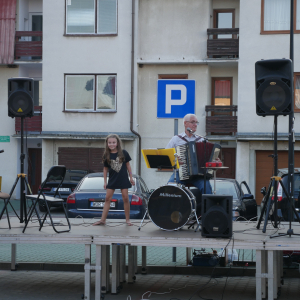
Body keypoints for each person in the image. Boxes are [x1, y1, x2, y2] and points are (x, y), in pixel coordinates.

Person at [93, 134, 135, 226]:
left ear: (117, 143)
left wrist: (131, 177)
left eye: (113, 142)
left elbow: (128, 165)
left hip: (123, 179)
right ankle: (102, 220)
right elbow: (105, 169)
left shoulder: (124, 153)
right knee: (107, 199)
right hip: (112, 180)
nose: (111, 144)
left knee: (125, 198)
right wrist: (105, 182)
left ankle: (128, 220)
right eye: (110, 143)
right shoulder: (106, 155)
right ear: (107, 143)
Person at [166, 113, 212, 194]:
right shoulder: (176, 139)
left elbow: (209, 158)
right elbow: (166, 156)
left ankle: (207, 206)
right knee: (170, 187)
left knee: (207, 188)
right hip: (180, 174)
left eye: (196, 122)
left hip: (198, 175)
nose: (195, 125)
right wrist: (175, 162)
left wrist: (213, 159)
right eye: (193, 122)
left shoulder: (202, 140)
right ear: (185, 123)